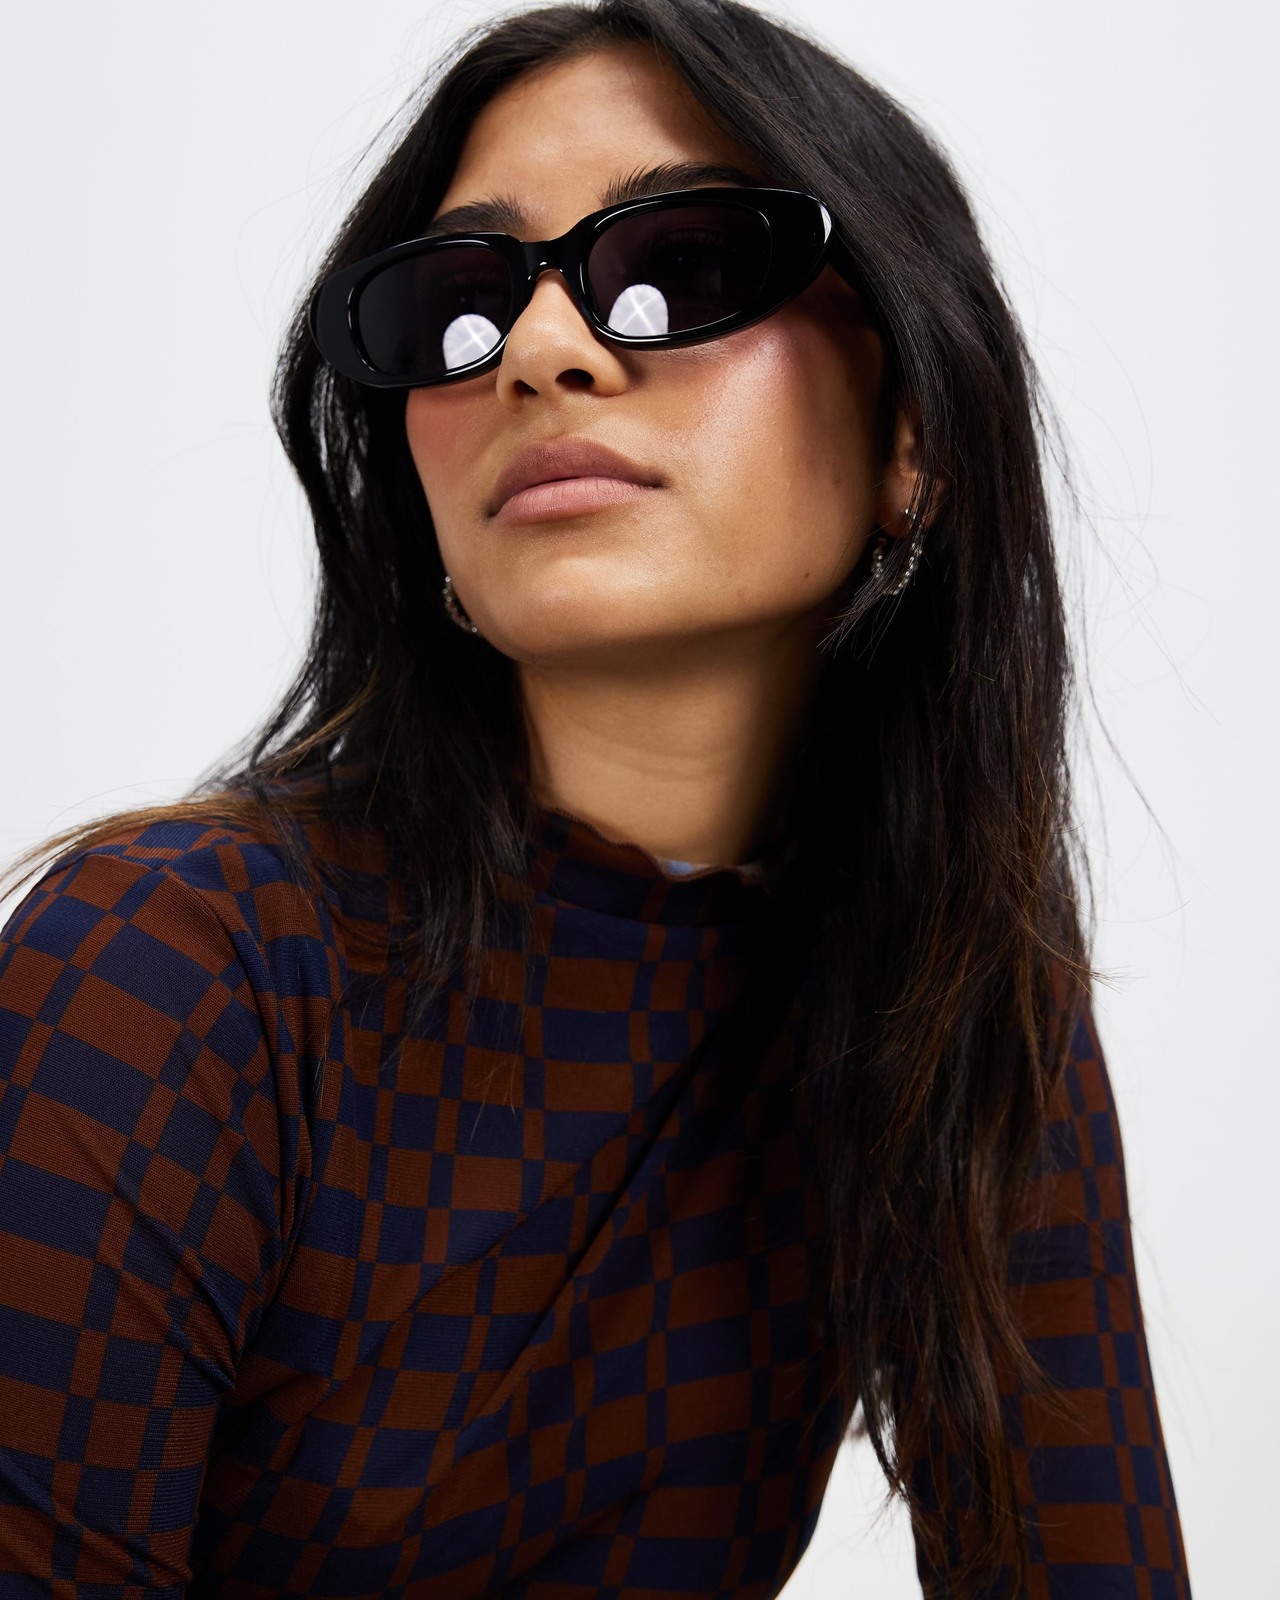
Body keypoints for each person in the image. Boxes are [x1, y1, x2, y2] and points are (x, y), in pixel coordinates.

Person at [0, 2, 1192, 1596]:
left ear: (915, 431)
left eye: (684, 267)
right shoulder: (172, 970)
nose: (543, 350)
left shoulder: (953, 997)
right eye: (460, 305)